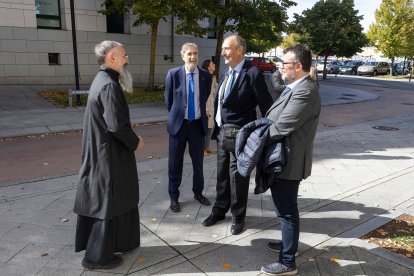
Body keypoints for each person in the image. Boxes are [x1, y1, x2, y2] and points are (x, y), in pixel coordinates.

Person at [73, 40, 144, 269]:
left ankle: (120, 242)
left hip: (104, 152)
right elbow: (117, 126)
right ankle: (96, 258)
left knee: (115, 199)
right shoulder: (109, 86)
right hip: (109, 156)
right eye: (123, 55)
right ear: (111, 57)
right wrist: (136, 141)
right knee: (107, 202)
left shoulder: (102, 80)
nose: (127, 59)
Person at [202, 35, 273, 235]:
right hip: (223, 133)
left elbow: (266, 105)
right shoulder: (227, 73)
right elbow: (220, 103)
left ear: (239, 50)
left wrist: (264, 135)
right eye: (223, 48)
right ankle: (219, 210)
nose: (223, 52)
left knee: (238, 177)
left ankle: (238, 216)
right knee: (222, 175)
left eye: (226, 48)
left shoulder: (252, 73)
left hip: (241, 136)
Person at [260, 44, 321, 275]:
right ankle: (289, 245)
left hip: (289, 160)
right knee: (285, 208)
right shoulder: (295, 86)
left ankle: (287, 263)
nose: (281, 68)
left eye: (284, 64)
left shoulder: (305, 90)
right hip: (283, 156)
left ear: (297, 66)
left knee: (286, 210)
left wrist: (255, 138)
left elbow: (282, 126)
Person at [164, 42, 212, 212]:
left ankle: (198, 193)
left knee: (198, 163)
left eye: (195, 53)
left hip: (197, 126)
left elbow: (204, 96)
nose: (193, 57)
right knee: (175, 164)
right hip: (178, 127)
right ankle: (174, 197)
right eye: (189, 54)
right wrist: (179, 117)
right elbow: (169, 102)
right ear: (182, 55)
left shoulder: (206, 76)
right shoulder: (173, 74)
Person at [201, 59, 218, 156]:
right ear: (208, 67)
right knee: (205, 128)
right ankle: (201, 149)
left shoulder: (213, 77)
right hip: (207, 106)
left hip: (213, 105)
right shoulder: (205, 77)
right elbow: (204, 94)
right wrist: (205, 109)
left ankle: (207, 146)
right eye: (212, 63)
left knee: (211, 127)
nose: (214, 64)